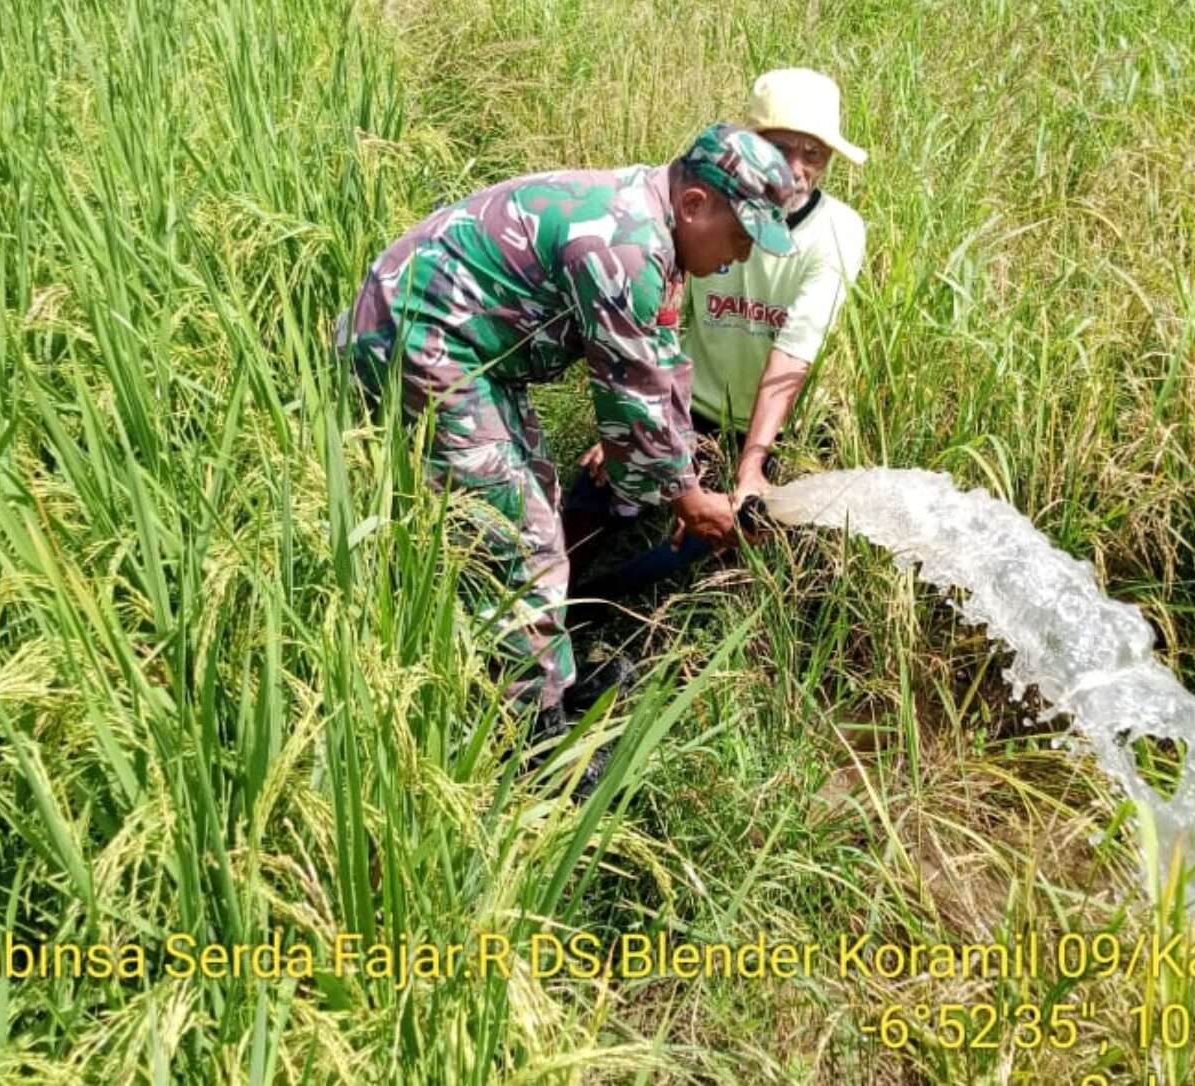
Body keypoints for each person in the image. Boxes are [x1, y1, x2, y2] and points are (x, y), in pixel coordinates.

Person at [334, 124, 803, 733]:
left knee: (535, 503)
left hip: (471, 352)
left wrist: (683, 476)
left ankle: (545, 678)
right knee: (522, 538)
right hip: (418, 339)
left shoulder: (655, 225)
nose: (740, 256)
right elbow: (633, 401)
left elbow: (662, 372)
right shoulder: (627, 248)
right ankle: (526, 735)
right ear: (695, 205)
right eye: (741, 237)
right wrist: (688, 499)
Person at [562, 68, 867, 608]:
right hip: (689, 401)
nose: (796, 171)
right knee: (598, 493)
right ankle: (550, 606)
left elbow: (791, 357)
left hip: (766, 423)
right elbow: (655, 323)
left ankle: (608, 614)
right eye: (780, 148)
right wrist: (632, 428)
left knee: (709, 543)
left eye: (813, 155)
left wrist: (751, 464)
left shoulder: (837, 233)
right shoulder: (705, 207)